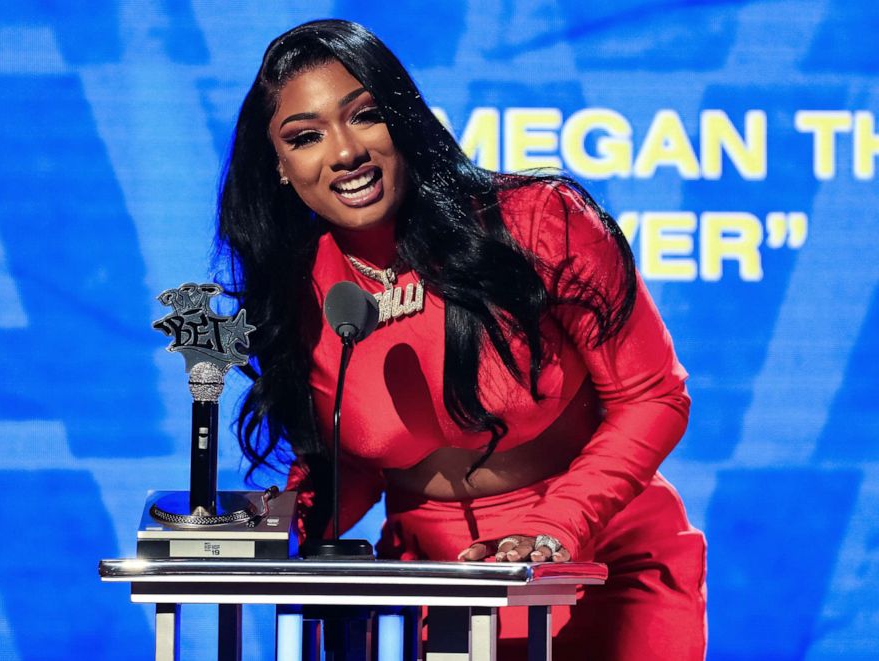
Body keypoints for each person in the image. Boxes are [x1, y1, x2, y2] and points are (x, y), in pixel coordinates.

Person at [215, 19, 706, 659]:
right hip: (441, 585)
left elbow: (653, 397)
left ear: (404, 119)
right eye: (306, 137)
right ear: (279, 167)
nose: (343, 153)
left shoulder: (536, 222)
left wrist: (559, 524)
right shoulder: (296, 291)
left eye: (363, 117)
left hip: (602, 557)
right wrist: (277, 526)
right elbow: (359, 457)